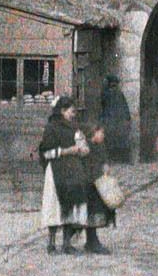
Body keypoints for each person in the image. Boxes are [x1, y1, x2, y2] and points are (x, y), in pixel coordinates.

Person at [38, 94, 116, 255]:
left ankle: (67, 244)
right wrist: (67, 151)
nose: (73, 115)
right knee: (55, 206)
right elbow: (46, 153)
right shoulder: (51, 128)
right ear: (62, 111)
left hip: (72, 171)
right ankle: (51, 244)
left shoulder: (74, 128)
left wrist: (83, 149)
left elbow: (82, 145)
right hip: (56, 171)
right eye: (71, 112)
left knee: (73, 204)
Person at [100, 74, 135, 161]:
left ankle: (113, 159)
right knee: (121, 140)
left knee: (111, 140)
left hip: (111, 121)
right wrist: (128, 120)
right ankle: (123, 159)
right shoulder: (119, 93)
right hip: (120, 122)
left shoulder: (106, 93)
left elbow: (104, 106)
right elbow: (125, 108)